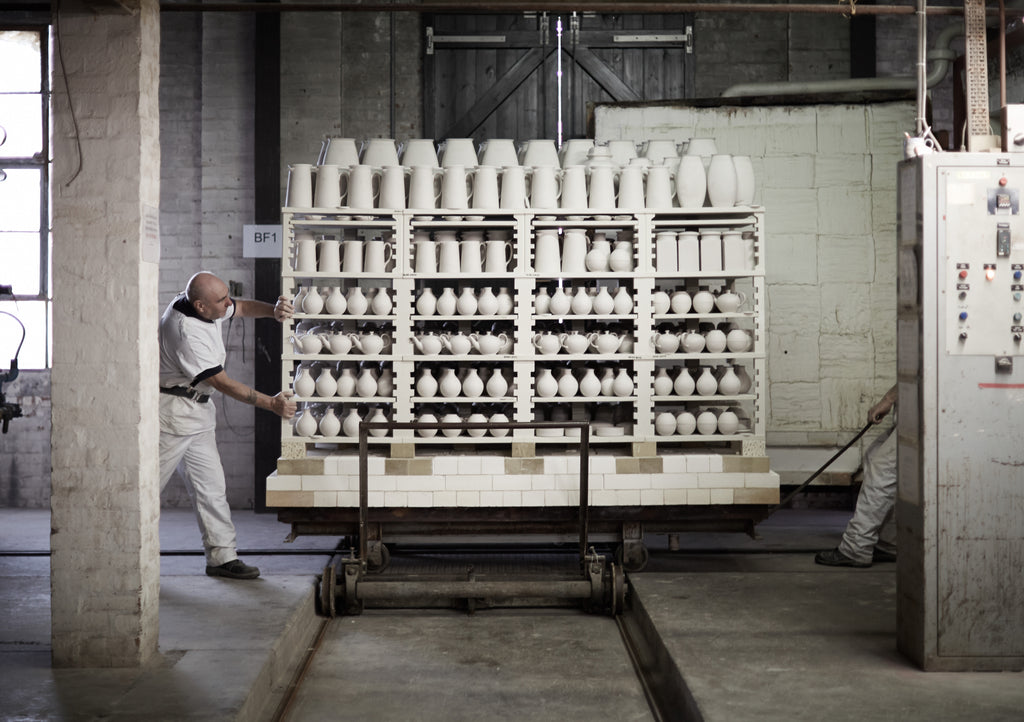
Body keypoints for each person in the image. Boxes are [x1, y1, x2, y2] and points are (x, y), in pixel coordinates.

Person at [159, 272, 297, 580]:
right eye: (221, 301)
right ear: (201, 305)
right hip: (171, 416)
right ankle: (124, 554)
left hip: (196, 412)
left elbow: (243, 307)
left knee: (211, 488)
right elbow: (223, 384)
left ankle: (222, 558)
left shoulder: (205, 307)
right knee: (145, 487)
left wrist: (272, 312)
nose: (228, 304)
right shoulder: (185, 332)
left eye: (225, 297)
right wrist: (271, 404)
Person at [815, 384, 898, 568]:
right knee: (874, 456)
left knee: (883, 471)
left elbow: (920, 368)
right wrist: (890, 398)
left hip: (927, 412)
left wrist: (889, 399)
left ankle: (856, 548)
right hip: (913, 411)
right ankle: (889, 542)